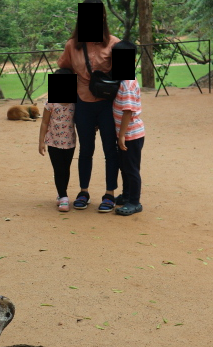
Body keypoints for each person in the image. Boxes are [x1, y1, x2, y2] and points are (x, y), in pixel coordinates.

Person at [57, 0, 121, 212]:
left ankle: (109, 193)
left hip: (107, 105)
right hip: (83, 104)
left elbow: (127, 80)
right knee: (86, 150)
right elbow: (63, 72)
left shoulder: (114, 44)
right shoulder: (72, 45)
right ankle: (83, 191)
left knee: (110, 150)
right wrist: (58, 111)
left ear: (103, 18)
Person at [111, 40, 145, 216]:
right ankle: (126, 195)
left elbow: (128, 111)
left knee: (131, 169)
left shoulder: (128, 83)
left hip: (131, 134)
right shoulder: (122, 80)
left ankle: (135, 202)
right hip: (125, 134)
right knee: (124, 166)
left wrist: (122, 135)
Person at [38, 70, 77, 212]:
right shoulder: (51, 103)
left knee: (65, 169)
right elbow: (44, 123)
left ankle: (61, 193)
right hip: (53, 142)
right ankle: (64, 196)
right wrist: (41, 142)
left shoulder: (74, 102)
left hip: (70, 143)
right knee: (58, 169)